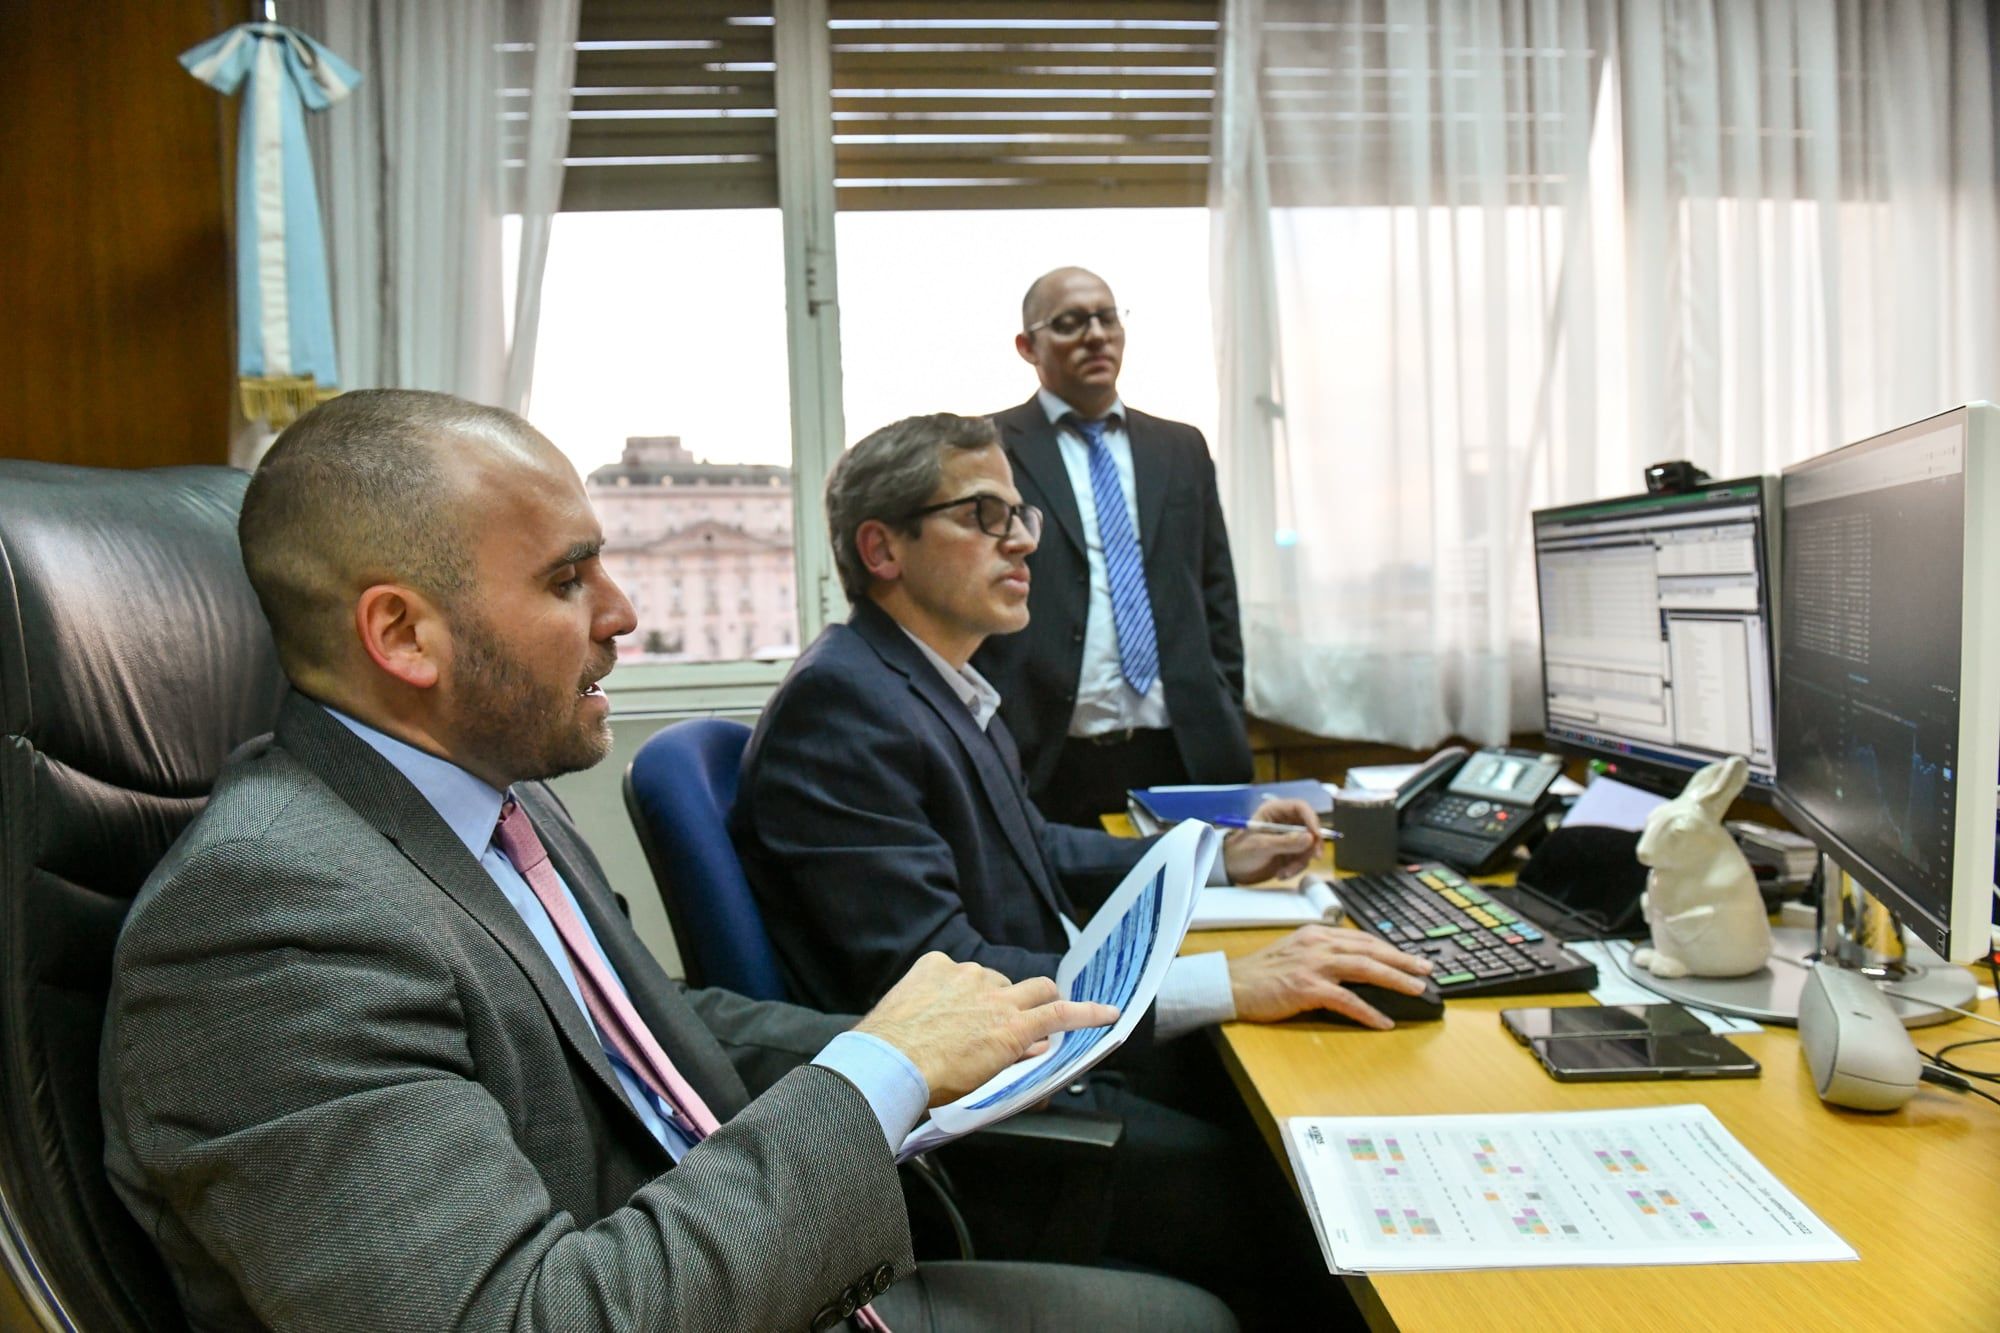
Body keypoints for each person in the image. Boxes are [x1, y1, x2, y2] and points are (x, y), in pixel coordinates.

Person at [98, 389, 1238, 1333]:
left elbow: (647, 1031)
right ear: (401, 635)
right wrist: (873, 1076)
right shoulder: (267, 920)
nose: (624, 612)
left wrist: (948, 1043)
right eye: (565, 580)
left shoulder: (495, 801)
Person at [733, 412, 1434, 1327]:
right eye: (984, 514)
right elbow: (951, 984)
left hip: (1052, 1053)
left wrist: (1221, 854)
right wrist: (1230, 980)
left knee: (1327, 1086)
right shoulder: (845, 707)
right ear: (883, 548)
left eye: (1021, 513)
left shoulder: (927, 681)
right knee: (1298, 1185)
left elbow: (1043, 846)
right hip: (987, 1126)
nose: (1024, 540)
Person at [971, 266, 1252, 828]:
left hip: (1183, 749)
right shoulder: (987, 449)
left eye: (1106, 317)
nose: (1096, 335)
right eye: (1071, 322)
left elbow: (1215, 587)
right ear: (1028, 346)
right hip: (1047, 756)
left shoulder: (1180, 447)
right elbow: (969, 593)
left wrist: (1225, 696)